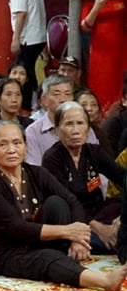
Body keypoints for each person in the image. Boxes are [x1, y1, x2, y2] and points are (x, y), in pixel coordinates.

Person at [0, 121, 127, 291]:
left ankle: (61, 261)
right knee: (47, 257)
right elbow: (16, 227)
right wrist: (67, 231)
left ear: (25, 147)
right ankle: (104, 281)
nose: (11, 150)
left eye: (17, 143)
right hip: (6, 251)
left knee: (57, 203)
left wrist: (79, 238)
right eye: (3, 144)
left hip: (35, 243)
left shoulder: (36, 173)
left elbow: (72, 200)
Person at [42, 102, 124, 253]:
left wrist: (123, 217)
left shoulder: (94, 152)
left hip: (100, 212)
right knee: (101, 241)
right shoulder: (52, 158)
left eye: (80, 123)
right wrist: (100, 229)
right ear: (58, 130)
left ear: (88, 128)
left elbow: (122, 178)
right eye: (69, 124)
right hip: (74, 219)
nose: (75, 130)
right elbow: (68, 201)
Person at [0, 0, 47, 105]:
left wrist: (15, 39)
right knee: (32, 72)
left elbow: (21, 14)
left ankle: (28, 103)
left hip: (28, 39)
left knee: (26, 75)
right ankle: (34, 102)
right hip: (38, 37)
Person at [80, 0, 126, 110]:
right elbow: (85, 25)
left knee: (120, 79)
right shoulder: (89, 0)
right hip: (101, 48)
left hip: (121, 46)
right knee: (102, 79)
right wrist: (97, 6)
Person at [25, 76, 99, 166]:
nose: (63, 100)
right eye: (57, 95)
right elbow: (34, 170)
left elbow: (98, 164)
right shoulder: (33, 132)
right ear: (44, 100)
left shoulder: (84, 128)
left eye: (67, 94)